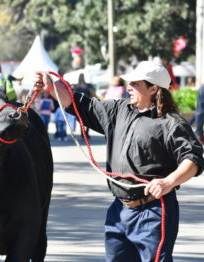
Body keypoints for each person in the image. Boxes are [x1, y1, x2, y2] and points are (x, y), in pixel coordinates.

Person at [33, 60, 204, 262]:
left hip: (154, 211)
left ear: (154, 88)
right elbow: (79, 103)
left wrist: (168, 182)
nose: (128, 87)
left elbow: (193, 159)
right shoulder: (119, 110)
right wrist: (52, 87)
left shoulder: (171, 123)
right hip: (119, 210)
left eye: (136, 84)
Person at [74, 73, 97, 139]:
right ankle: (83, 133)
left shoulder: (88, 85)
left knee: (87, 119)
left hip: (87, 103)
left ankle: (86, 133)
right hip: (80, 105)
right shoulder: (77, 86)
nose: (82, 78)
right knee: (82, 120)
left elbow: (93, 93)